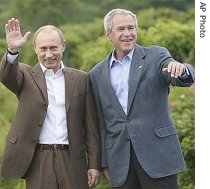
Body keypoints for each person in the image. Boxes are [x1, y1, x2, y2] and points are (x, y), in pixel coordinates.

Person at [89, 8, 195, 189]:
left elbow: (177, 72)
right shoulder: (96, 74)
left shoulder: (156, 56)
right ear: (108, 35)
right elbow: (101, 122)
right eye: (121, 29)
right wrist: (104, 161)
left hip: (158, 156)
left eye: (131, 28)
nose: (128, 34)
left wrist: (182, 69)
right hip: (120, 161)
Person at [0, 18, 101, 189]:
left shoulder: (81, 79)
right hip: (39, 159)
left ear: (63, 45)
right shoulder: (25, 75)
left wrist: (94, 164)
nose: (49, 54)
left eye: (53, 47)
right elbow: (7, 76)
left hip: (72, 159)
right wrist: (12, 51)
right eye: (43, 49)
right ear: (35, 48)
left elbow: (91, 126)